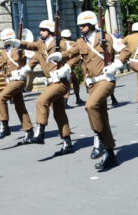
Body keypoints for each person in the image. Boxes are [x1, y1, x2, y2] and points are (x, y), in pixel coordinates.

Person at [50, 11, 119, 170]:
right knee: (102, 118)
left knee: (90, 106)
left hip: (106, 79)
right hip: (92, 84)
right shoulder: (81, 41)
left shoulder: (106, 37)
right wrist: (59, 56)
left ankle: (100, 138)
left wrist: (116, 64)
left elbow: (125, 50)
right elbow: (71, 52)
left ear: (92, 24)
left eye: (84, 25)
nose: (81, 28)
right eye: (80, 25)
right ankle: (110, 155)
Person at [20, 20, 75, 155]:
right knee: (59, 113)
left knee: (41, 101)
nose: (41, 33)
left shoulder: (60, 42)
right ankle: (67, 143)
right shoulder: (41, 44)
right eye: (41, 30)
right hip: (51, 83)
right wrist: (17, 43)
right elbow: (30, 47)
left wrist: (67, 67)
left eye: (43, 30)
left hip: (61, 81)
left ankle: (40, 132)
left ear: (50, 31)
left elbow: (76, 54)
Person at [0, 29, 33, 140]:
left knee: (0, 99)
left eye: (6, 40)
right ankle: (29, 131)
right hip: (10, 80)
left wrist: (21, 47)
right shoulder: (4, 52)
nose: (4, 42)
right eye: (3, 40)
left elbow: (30, 56)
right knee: (19, 106)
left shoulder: (19, 48)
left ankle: (5, 127)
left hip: (19, 79)